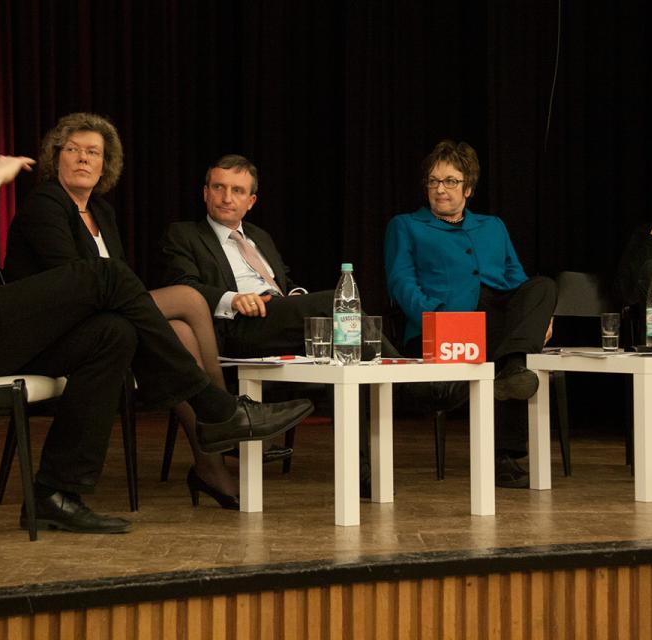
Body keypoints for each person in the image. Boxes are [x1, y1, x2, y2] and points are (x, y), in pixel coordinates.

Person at [0, 80, 312, 533]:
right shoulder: (45, 202)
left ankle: (55, 492)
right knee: (108, 276)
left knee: (114, 335)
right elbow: (66, 275)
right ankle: (218, 409)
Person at [5, 112, 241, 508]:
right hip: (56, 330)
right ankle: (223, 417)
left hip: (103, 325)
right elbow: (74, 282)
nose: (83, 159)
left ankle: (209, 462)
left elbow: (119, 282)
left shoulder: (103, 212)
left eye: (93, 152)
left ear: (105, 164)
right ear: (55, 157)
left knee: (183, 333)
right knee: (188, 297)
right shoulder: (45, 204)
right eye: (74, 150)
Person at [384, 139, 556, 488]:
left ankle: (513, 371)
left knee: (544, 287)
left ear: (469, 188)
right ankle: (508, 450)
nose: (440, 189)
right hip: (445, 323)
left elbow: (516, 280)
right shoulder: (406, 225)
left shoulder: (493, 226)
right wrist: (436, 320)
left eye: (450, 181)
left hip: (495, 320)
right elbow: (402, 283)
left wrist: (539, 316)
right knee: (514, 354)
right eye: (433, 181)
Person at [157, 154, 395, 358]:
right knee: (335, 303)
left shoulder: (259, 236)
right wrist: (233, 299)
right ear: (206, 193)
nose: (227, 198)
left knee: (343, 333)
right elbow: (183, 288)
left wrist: (297, 295)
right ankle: (415, 383)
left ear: (250, 202)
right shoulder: (184, 234)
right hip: (236, 325)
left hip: (278, 316)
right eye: (219, 187)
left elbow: (284, 282)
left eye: (237, 190)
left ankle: (369, 406)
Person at [615, 223, 652, 342]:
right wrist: (651, 238)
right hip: (646, 315)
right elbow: (625, 289)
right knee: (650, 268)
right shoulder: (641, 239)